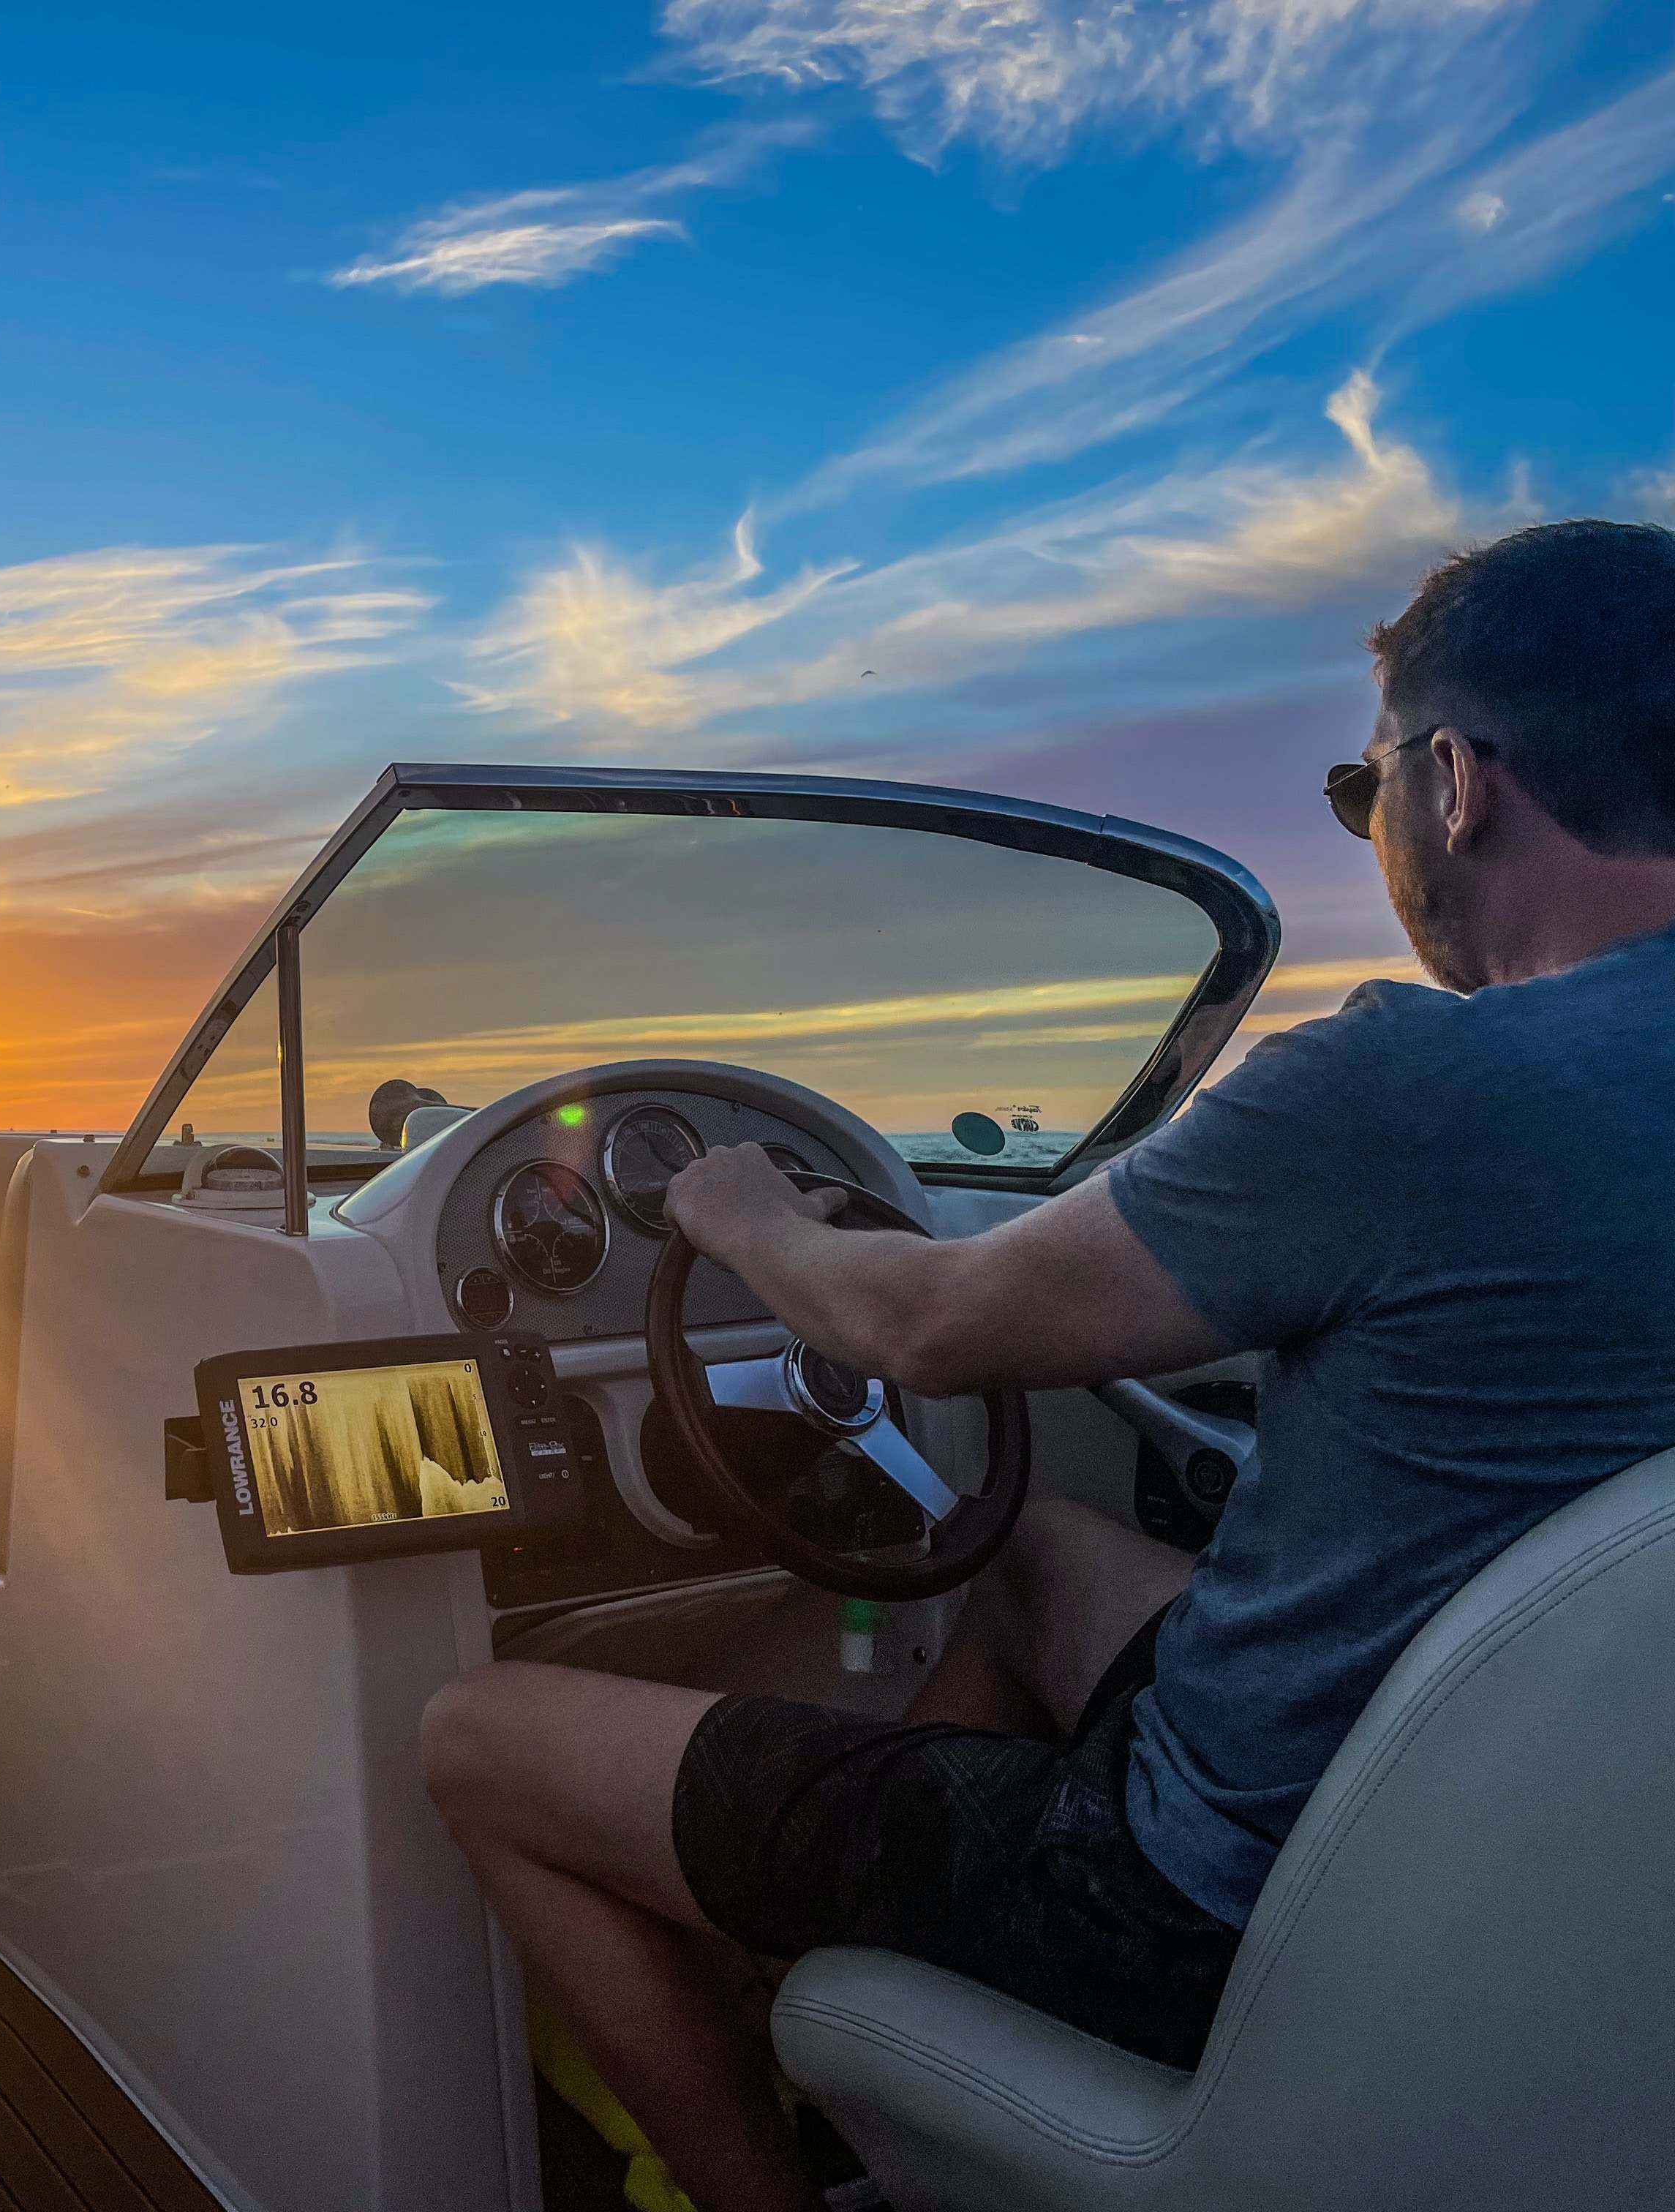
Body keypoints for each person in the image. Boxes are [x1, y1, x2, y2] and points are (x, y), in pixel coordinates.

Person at [421, 518, 1675, 2212]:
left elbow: (926, 1324)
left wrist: (736, 1216)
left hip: (1214, 1902)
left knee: (474, 1735)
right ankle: (872, 1975)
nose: (1373, 825)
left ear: (1456, 781)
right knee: (1010, 1548)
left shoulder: (1407, 1089)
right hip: (1565, 1870)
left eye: (1357, 785)